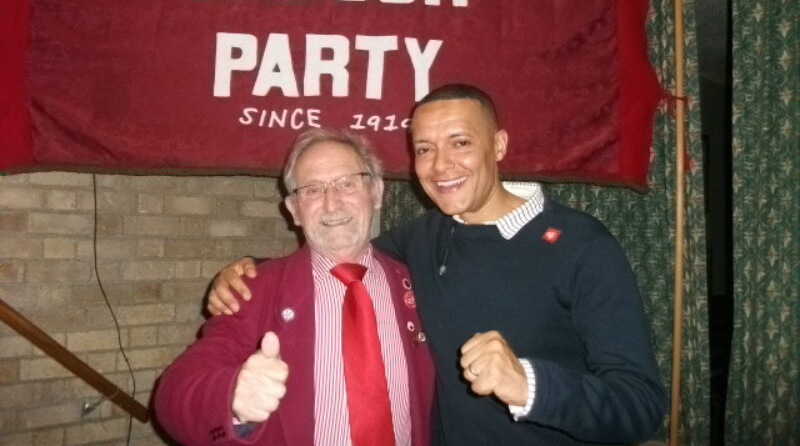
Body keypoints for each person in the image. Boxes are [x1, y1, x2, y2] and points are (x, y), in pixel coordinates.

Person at [208, 84, 667, 445]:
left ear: (499, 145)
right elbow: (341, 252)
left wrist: (529, 384)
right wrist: (251, 269)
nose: (441, 165)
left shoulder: (581, 247)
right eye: (424, 148)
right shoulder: (426, 236)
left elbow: (640, 406)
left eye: (460, 142)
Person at [153, 129, 434, 446]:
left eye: (347, 183)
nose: (332, 203)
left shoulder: (420, 285)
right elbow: (171, 396)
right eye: (312, 190)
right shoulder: (254, 290)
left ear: (377, 192)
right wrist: (230, 396)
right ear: (294, 210)